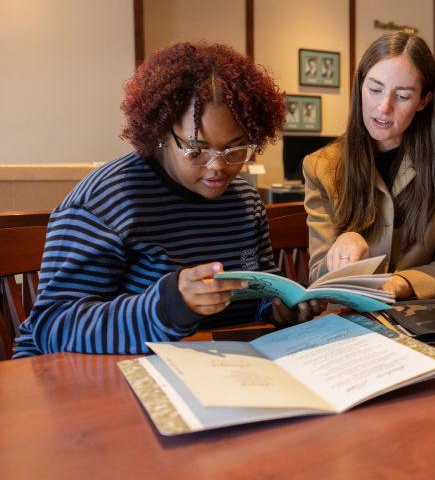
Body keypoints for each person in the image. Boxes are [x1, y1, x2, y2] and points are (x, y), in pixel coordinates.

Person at [14, 41, 322, 358]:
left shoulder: (244, 201)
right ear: (161, 132)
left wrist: (275, 308)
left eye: (235, 149)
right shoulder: (105, 202)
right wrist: (167, 307)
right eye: (195, 149)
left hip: (209, 364)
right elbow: (52, 326)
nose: (217, 166)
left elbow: (255, 291)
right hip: (81, 377)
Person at [303, 31, 435, 300]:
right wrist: (341, 247)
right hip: (351, 320)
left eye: (403, 96)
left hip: (421, 314)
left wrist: (402, 283)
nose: (384, 107)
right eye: (375, 89)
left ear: (423, 101)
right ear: (360, 87)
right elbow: (317, 276)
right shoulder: (320, 166)